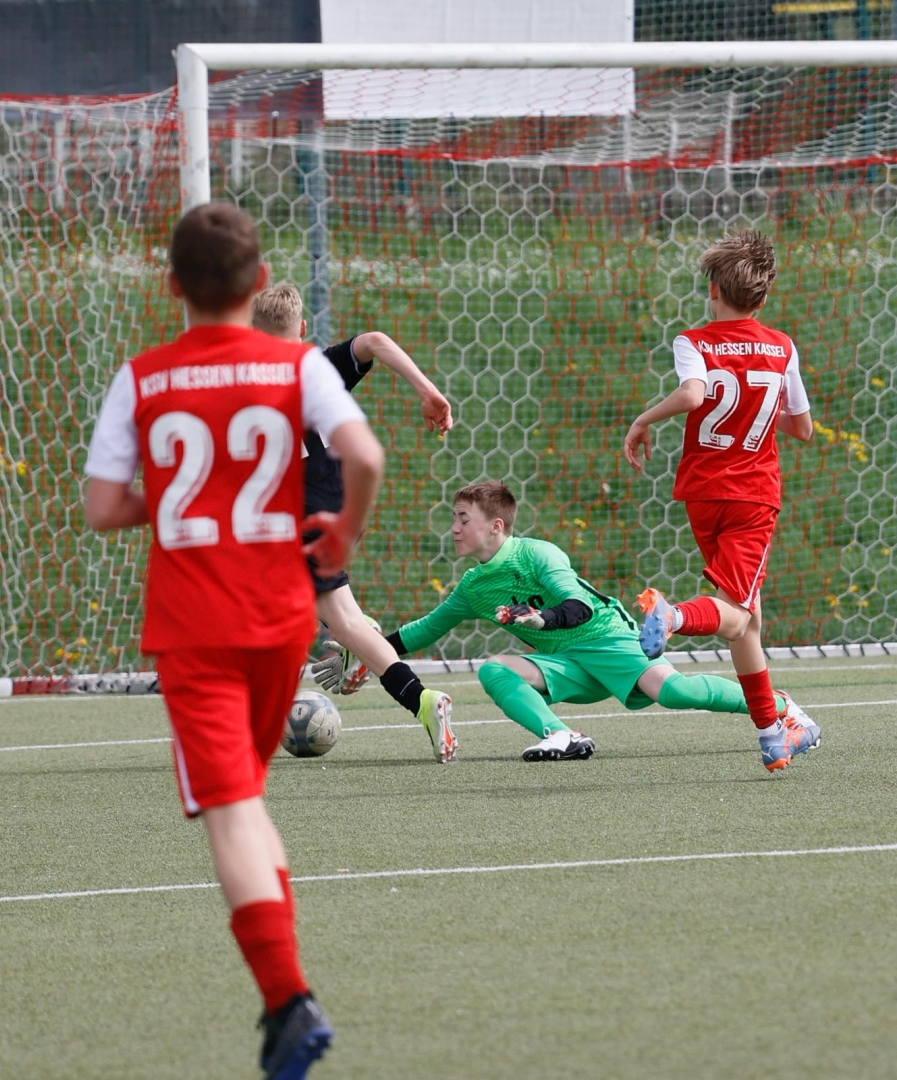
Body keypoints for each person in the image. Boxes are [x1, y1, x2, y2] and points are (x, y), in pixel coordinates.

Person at [83, 203, 385, 1079]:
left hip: (197, 630)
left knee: (232, 811)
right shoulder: (297, 367)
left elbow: (104, 508)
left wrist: (182, 502)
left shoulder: (143, 378)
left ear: (173, 285)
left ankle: (288, 1000)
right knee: (246, 802)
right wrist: (341, 537)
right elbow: (362, 459)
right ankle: (284, 1000)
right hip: (282, 617)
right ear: (260, 286)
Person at [374, 481, 819, 767]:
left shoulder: (536, 554)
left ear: (495, 526)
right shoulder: (473, 586)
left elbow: (579, 607)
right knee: (494, 669)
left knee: (674, 692)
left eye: (462, 518)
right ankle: (562, 736)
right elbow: (423, 631)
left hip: (606, 638)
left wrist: (542, 618)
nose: (453, 527)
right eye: (453, 517)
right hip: (565, 662)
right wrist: (367, 647)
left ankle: (781, 708)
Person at [622, 229, 819, 772]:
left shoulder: (694, 340)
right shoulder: (781, 346)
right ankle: (674, 615)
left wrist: (643, 421)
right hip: (753, 496)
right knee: (733, 615)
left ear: (714, 287)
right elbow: (801, 429)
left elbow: (693, 394)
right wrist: (756, 407)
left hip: (702, 492)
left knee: (747, 619)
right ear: (763, 296)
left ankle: (772, 734)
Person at [251, 283, 457, 764]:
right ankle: (412, 692)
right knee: (337, 615)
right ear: (302, 329)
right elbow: (377, 341)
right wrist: (429, 393)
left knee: (297, 618)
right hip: (343, 506)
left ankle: (239, 728)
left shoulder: (247, 387)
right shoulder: (318, 368)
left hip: (289, 519)